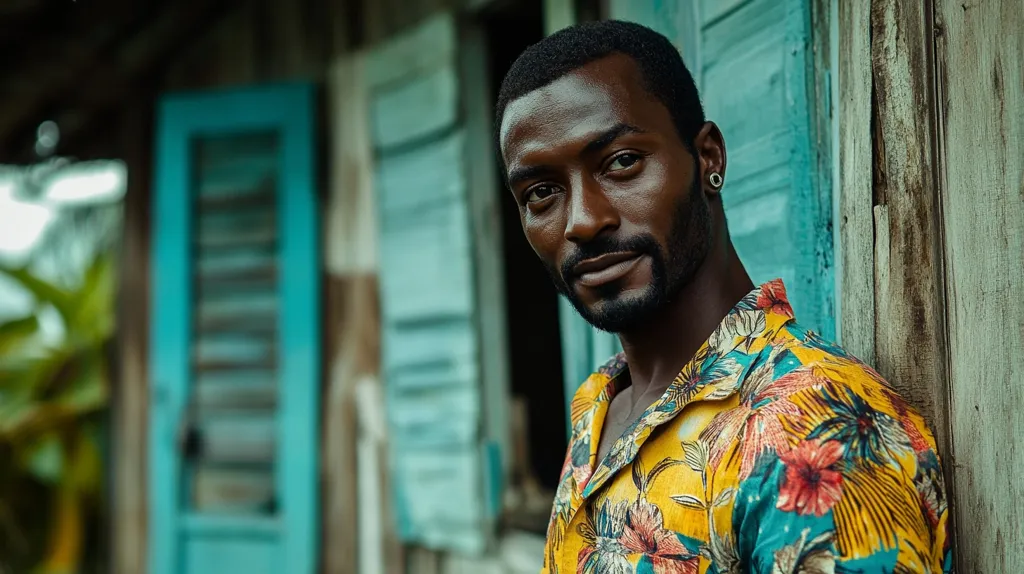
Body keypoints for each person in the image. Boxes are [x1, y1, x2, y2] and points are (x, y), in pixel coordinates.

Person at [495, 20, 951, 574]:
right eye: (542, 193)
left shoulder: (804, 430)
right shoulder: (601, 408)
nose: (584, 221)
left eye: (621, 162)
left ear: (708, 158)